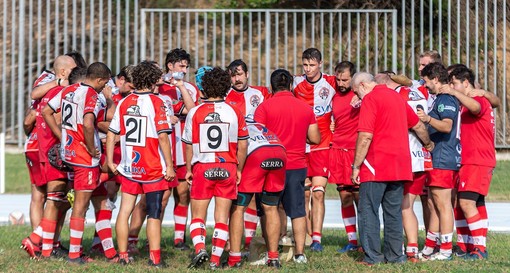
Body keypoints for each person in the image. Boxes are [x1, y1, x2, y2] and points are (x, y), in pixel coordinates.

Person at [350, 72, 433, 266]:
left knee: (368, 209)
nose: (358, 97)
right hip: (400, 165)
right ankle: (396, 256)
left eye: (356, 92)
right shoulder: (397, 97)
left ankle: (373, 257)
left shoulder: (370, 99)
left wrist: (356, 166)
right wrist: (428, 144)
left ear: (362, 85)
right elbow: (418, 126)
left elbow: (365, 136)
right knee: (393, 212)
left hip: (375, 164)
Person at [107, 60, 175, 267]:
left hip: (129, 167)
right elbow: (163, 137)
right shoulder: (157, 102)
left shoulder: (125, 102)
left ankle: (123, 255)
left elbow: (112, 133)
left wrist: (111, 161)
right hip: (152, 168)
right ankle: (155, 259)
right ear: (154, 79)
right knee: (153, 213)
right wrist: (170, 166)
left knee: (125, 211)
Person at [182, 67, 248, 270]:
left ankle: (200, 247)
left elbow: (189, 144)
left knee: (198, 216)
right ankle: (214, 261)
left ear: (204, 87)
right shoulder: (234, 111)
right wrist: (238, 170)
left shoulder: (195, 112)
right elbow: (243, 144)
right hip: (227, 167)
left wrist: (188, 169)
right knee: (222, 217)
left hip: (203, 168)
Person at [48, 62, 112, 264]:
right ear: (99, 80)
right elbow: (87, 123)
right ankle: (75, 255)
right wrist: (91, 148)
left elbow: (46, 112)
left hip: (68, 153)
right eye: (105, 83)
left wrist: (62, 135)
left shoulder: (69, 90)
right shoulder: (91, 95)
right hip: (84, 157)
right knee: (81, 205)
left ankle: (46, 240)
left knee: (79, 198)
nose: (104, 88)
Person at [255, 69, 320, 264]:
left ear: (271, 87)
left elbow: (258, 138)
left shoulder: (264, 108)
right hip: (296, 164)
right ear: (291, 86)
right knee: (298, 210)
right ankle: (300, 254)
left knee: (269, 209)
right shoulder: (305, 108)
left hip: (271, 165)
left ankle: (271, 253)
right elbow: (315, 138)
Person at [21, 55, 77, 260]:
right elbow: (35, 116)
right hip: (47, 147)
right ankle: (41, 241)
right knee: (51, 196)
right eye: (74, 69)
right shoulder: (58, 89)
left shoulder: (50, 87)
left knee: (51, 197)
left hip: (41, 146)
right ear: (62, 71)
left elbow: (32, 114)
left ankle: (45, 242)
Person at [375, 71, 432, 262]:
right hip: (421, 157)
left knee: (399, 206)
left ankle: (399, 247)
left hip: (402, 157)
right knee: (408, 205)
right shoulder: (420, 90)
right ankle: (412, 249)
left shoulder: (395, 96)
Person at [446, 66, 495, 260]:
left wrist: (452, 93)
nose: (451, 86)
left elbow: (476, 107)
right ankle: (468, 246)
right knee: (471, 202)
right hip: (468, 160)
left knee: (467, 203)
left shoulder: (478, 100)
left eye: (454, 83)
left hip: (477, 160)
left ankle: (480, 249)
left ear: (465, 83)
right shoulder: (467, 102)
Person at [227, 118, 286, 268]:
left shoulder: (235, 126)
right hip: (279, 151)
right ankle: (273, 258)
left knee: (238, 208)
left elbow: (240, 148)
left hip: (256, 154)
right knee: (271, 208)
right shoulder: (258, 125)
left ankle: (234, 258)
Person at [293, 48, 336, 252]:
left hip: (322, 144)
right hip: (301, 146)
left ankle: (317, 238)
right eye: (305, 65)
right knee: (305, 195)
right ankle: (308, 236)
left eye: (312, 65)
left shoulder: (332, 82)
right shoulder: (295, 83)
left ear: (320, 63)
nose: (308, 69)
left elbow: (352, 87)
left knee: (319, 193)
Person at [226, 59, 271, 252]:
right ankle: (233, 240)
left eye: (239, 74)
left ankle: (250, 240)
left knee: (256, 198)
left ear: (247, 74)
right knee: (235, 199)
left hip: (258, 151)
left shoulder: (261, 93)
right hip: (235, 152)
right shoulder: (226, 95)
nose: (237, 79)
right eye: (233, 75)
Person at [417, 62, 460, 261]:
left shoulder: (445, 99)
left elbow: (446, 126)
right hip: (436, 158)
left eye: (426, 82)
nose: (425, 86)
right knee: (434, 204)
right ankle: (429, 247)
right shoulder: (438, 98)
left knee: (443, 205)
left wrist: (427, 119)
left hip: (443, 157)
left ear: (435, 79)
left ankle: (445, 250)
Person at [329, 61, 361, 253]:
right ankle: (352, 241)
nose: (341, 83)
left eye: (345, 80)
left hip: (356, 152)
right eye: (338, 79)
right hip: (338, 150)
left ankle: (365, 242)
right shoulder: (333, 95)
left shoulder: (361, 95)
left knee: (360, 198)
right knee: (345, 197)